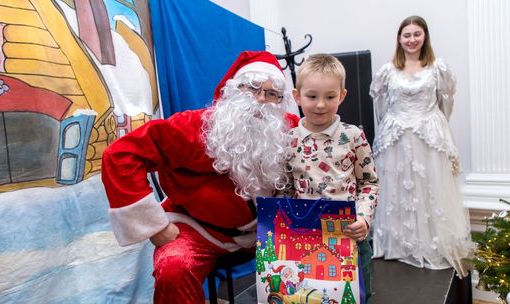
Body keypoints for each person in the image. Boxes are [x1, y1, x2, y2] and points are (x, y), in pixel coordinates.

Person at [101, 51, 299, 303]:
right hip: (195, 229)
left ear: (281, 101)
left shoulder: (287, 129)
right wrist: (155, 226)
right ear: (233, 90)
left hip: (264, 231)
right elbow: (121, 155)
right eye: (252, 88)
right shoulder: (194, 127)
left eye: (271, 94)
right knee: (174, 268)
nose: (260, 99)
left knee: (308, 260)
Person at [369, 15, 474, 278]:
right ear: (399, 38)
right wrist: (390, 127)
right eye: (407, 34)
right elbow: (381, 108)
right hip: (396, 137)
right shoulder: (387, 71)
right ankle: (395, 244)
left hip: (427, 135)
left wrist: (436, 127)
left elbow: (445, 104)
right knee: (396, 188)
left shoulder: (438, 68)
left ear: (424, 36)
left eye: (417, 34)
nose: (412, 39)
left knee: (429, 188)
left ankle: (431, 244)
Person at [285, 54, 379, 303]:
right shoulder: (288, 140)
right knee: (312, 296)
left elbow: (369, 182)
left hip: (350, 237)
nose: (320, 105)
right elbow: (285, 189)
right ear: (297, 96)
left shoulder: (354, 135)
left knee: (358, 295)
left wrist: (364, 218)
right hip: (306, 238)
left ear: (342, 96)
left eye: (329, 97)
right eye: (312, 96)